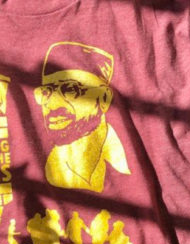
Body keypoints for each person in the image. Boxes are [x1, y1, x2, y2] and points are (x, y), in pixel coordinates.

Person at [34, 41, 131, 193]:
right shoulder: (41, 172)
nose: (52, 105)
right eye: (46, 92)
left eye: (70, 89)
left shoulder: (127, 162)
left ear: (103, 99)